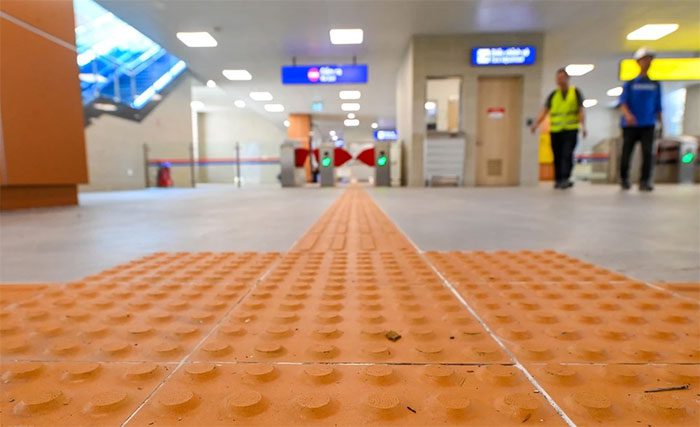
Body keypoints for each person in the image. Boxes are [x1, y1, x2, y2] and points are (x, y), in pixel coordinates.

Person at [531, 68, 587, 189]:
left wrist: (584, 126)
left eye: (562, 77)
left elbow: (581, 111)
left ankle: (565, 178)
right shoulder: (553, 95)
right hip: (555, 131)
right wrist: (536, 124)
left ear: (567, 78)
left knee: (567, 154)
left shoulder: (575, 92)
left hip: (571, 130)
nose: (560, 80)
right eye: (558, 77)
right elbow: (544, 111)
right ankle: (558, 179)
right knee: (556, 155)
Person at [619, 47, 663, 192]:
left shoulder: (655, 84)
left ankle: (644, 181)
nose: (648, 62)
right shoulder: (630, 84)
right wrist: (628, 115)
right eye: (644, 59)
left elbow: (658, 106)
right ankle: (624, 178)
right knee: (627, 153)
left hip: (648, 124)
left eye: (650, 59)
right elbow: (623, 102)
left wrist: (662, 124)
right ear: (638, 62)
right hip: (631, 125)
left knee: (648, 154)